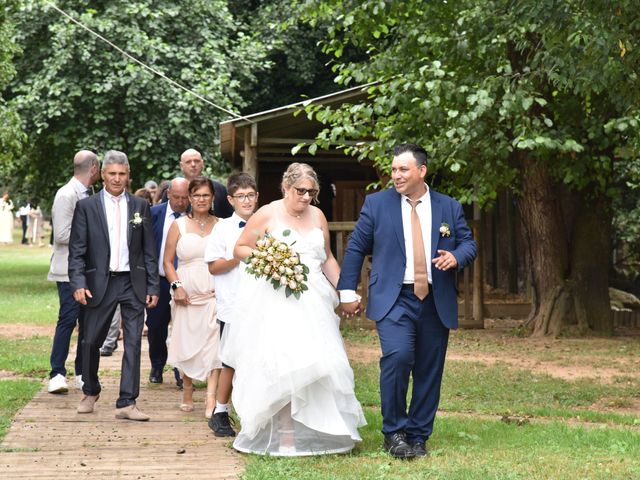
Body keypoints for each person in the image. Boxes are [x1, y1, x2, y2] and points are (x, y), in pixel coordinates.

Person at [338, 143, 477, 459]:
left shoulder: (448, 207)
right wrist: (347, 291)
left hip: (435, 299)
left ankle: (418, 436)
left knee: (430, 370)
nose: (396, 175)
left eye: (403, 169)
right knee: (398, 358)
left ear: (421, 171)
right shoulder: (377, 204)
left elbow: (469, 244)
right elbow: (356, 247)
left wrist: (456, 256)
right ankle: (394, 433)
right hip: (394, 298)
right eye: (394, 170)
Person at [224, 162, 366, 456]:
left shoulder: (318, 215)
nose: (306, 197)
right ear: (285, 187)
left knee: (319, 363)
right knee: (284, 365)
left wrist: (346, 290)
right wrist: (270, 260)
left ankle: (319, 427)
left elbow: (326, 257)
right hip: (276, 300)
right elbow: (241, 248)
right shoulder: (267, 213)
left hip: (313, 300)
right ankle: (286, 436)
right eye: (300, 191)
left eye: (311, 192)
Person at [68, 150, 159, 421]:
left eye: (122, 174)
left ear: (128, 176)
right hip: (99, 282)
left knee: (132, 342)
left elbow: (148, 250)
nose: (117, 179)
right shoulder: (87, 206)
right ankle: (91, 390)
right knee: (90, 340)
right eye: (112, 174)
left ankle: (127, 401)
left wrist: (153, 286)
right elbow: (77, 250)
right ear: (102, 175)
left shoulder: (140, 207)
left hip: (133, 282)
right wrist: (78, 282)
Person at [204, 172, 259, 436]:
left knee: (260, 358)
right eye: (241, 197)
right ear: (231, 199)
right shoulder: (223, 228)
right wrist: (240, 255)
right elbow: (214, 266)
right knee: (231, 359)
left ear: (257, 197)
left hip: (262, 304)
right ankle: (220, 412)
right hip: (233, 303)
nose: (246, 201)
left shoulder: (266, 226)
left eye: (250, 195)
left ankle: (255, 412)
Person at [165, 177, 221, 418]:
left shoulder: (222, 225)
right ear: (189, 198)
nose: (201, 199)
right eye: (196, 195)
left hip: (214, 293)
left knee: (214, 346)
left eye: (205, 195)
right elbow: (167, 262)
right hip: (186, 295)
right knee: (188, 344)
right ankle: (187, 389)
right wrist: (177, 286)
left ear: (212, 198)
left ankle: (211, 400)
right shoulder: (178, 225)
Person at [47, 150, 100, 394]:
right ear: (93, 168)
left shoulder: (89, 193)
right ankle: (57, 373)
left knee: (87, 323)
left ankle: (82, 372)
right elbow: (60, 234)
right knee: (68, 318)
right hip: (67, 270)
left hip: (88, 270)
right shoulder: (66, 194)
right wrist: (95, 237)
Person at [146, 177, 190, 386]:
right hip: (160, 280)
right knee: (156, 326)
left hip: (187, 279)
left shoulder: (194, 216)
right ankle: (157, 364)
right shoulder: (154, 214)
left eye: (185, 197)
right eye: (177, 197)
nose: (181, 202)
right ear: (168, 195)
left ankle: (181, 370)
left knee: (183, 327)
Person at [177, 148, 234, 218]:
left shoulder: (219, 189)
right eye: (188, 162)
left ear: (202, 163)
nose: (193, 164)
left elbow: (230, 217)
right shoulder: (173, 190)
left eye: (196, 161)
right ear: (181, 166)